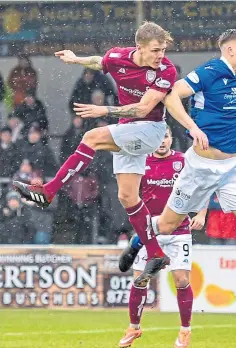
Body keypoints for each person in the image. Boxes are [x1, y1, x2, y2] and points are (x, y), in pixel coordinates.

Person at [12, 22, 208, 285]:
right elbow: (100, 61)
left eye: (163, 50)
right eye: (155, 50)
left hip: (150, 129)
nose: (161, 55)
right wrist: (75, 59)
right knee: (127, 196)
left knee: (91, 137)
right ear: (139, 47)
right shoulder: (119, 56)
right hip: (128, 131)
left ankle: (48, 191)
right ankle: (156, 253)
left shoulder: (165, 70)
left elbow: (142, 109)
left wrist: (103, 111)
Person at [120, 28, 236, 324]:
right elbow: (171, 95)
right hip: (200, 168)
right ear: (229, 50)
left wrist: (228, 95)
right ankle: (138, 242)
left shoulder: (232, 75)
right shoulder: (211, 70)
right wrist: (192, 127)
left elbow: (214, 99)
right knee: (165, 226)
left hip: (232, 168)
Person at [118, 127, 206, 348]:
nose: (162, 141)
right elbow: (130, 195)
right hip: (149, 232)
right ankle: (133, 328)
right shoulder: (141, 162)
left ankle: (185, 331)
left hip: (179, 230)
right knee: (140, 280)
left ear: (171, 138)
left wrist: (202, 214)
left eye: (165, 137)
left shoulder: (183, 161)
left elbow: (202, 188)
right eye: (158, 137)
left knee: (182, 280)